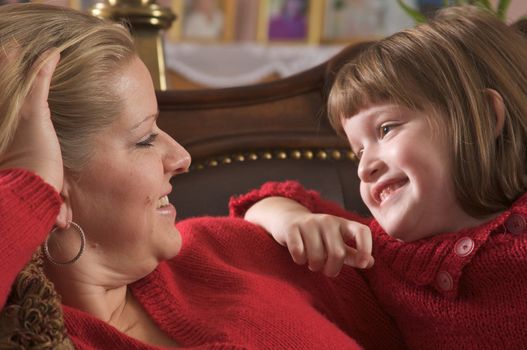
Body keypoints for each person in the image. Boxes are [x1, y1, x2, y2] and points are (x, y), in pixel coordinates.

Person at [0, 3, 405, 349]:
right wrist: (26, 190)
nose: (181, 157)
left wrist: (283, 211)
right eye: (144, 140)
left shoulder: (239, 250)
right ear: (50, 187)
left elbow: (445, 282)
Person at [237, 5, 527, 350]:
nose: (364, 167)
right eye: (357, 151)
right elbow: (258, 203)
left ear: (483, 117)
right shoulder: (374, 251)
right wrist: (291, 220)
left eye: (386, 129)